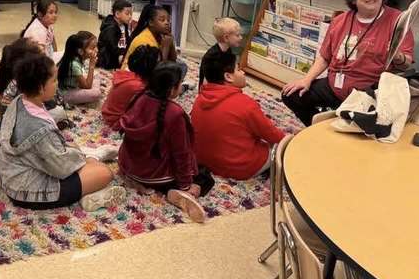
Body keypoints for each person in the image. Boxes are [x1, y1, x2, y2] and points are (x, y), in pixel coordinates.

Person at [281, 0, 414, 126]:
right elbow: (325, 57)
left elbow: (405, 64)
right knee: (291, 95)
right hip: (334, 85)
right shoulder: (340, 21)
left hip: (370, 93)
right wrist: (307, 79)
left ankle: (340, 121)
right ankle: (319, 128)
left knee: (359, 122)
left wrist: (397, 55)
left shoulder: (397, 20)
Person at [0, 53, 126, 211]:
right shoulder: (41, 130)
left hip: (8, 176)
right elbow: (62, 168)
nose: (57, 84)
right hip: (28, 191)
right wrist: (82, 157)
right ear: (40, 87)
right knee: (104, 173)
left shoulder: (17, 101)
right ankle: (92, 175)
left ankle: (92, 161)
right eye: (54, 80)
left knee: (77, 152)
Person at [117, 61, 211, 223]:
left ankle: (145, 184)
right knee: (204, 175)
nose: (182, 87)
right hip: (155, 176)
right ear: (171, 88)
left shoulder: (138, 98)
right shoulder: (174, 113)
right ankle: (182, 192)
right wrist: (185, 184)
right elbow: (181, 153)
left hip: (128, 167)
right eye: (180, 83)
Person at [192, 47, 285, 180]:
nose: (243, 72)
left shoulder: (199, 99)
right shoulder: (245, 104)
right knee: (278, 148)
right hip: (240, 168)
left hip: (205, 160)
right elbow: (273, 135)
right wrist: (291, 141)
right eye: (238, 69)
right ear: (228, 76)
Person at [0, 38, 70, 126]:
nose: (41, 44)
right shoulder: (29, 80)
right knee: (59, 112)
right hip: (17, 123)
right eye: (35, 43)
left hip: (21, 116)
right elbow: (44, 103)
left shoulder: (24, 75)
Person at [102, 45, 161, 130]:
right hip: (117, 121)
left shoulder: (128, 75)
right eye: (158, 63)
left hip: (108, 113)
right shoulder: (138, 86)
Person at [57, 31, 102, 106]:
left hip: (74, 84)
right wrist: (92, 66)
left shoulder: (77, 58)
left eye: (96, 46)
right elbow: (87, 86)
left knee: (96, 75)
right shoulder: (74, 64)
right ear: (80, 51)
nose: (96, 50)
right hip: (66, 93)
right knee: (96, 94)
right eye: (92, 48)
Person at [199, 17, 243, 87]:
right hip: (210, 88)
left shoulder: (229, 51)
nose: (241, 38)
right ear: (226, 38)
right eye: (237, 35)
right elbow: (207, 80)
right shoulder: (211, 56)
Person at [97, 0, 133, 69]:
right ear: (117, 14)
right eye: (127, 14)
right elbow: (112, 47)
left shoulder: (124, 25)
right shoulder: (110, 28)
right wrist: (124, 53)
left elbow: (127, 40)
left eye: (131, 14)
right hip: (108, 60)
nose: (130, 16)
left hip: (119, 56)